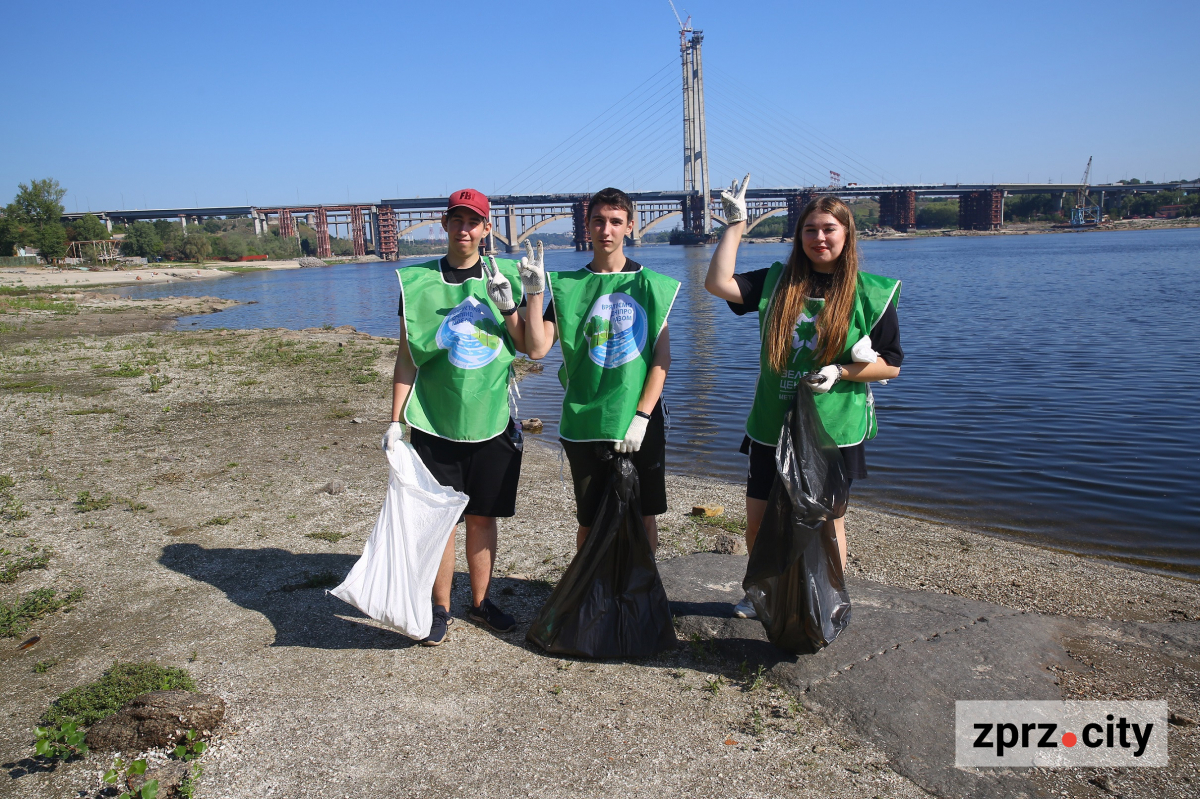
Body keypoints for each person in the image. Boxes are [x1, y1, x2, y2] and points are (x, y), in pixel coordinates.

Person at [704, 177, 903, 619]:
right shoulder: (777, 282)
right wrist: (734, 225)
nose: (819, 238)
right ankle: (765, 593)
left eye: (829, 229)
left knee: (827, 522)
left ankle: (827, 598)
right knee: (759, 520)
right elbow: (717, 284)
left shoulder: (870, 292)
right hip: (772, 423)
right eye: (810, 229)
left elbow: (891, 364)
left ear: (847, 235)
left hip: (834, 428)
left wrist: (841, 370)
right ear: (800, 237)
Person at [382, 188, 544, 646]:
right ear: (444, 224)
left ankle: (481, 601)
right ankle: (439, 607)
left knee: (482, 517)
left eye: (474, 221)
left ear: (487, 228)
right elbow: (406, 358)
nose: (465, 228)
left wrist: (517, 299)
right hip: (435, 419)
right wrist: (396, 422)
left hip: (491, 418)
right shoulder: (417, 282)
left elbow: (531, 347)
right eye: (457, 220)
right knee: (440, 519)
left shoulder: (508, 274)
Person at [523, 187, 679, 552]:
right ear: (587, 226)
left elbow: (662, 359)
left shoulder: (651, 285)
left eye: (615, 221)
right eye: (598, 221)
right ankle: (590, 599)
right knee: (590, 521)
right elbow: (537, 348)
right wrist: (533, 294)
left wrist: (642, 416)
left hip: (639, 419)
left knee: (643, 515)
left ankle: (640, 596)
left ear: (629, 226)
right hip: (586, 421)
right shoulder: (569, 288)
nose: (605, 230)